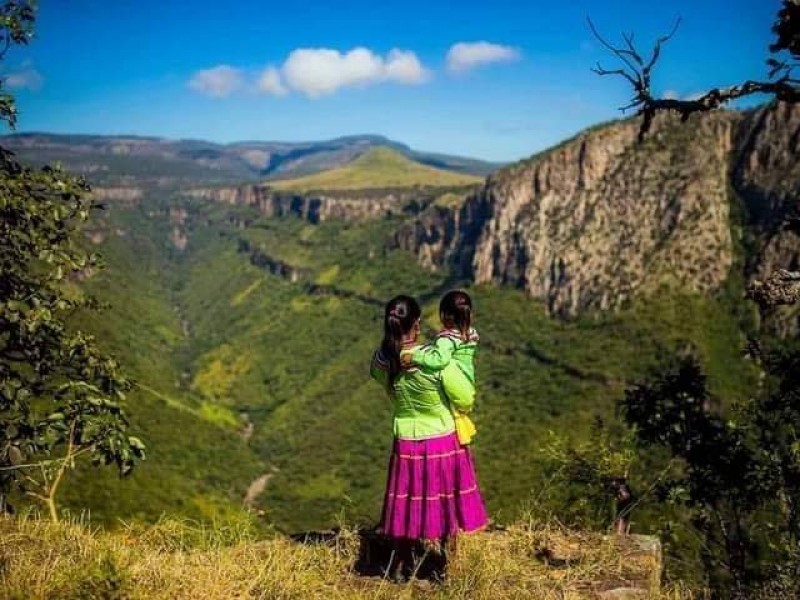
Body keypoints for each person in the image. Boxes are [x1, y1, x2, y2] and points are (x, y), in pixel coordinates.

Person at [370, 294, 488, 582]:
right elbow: (465, 396)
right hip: (442, 437)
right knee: (446, 499)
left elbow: (381, 380)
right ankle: (448, 566)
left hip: (406, 438)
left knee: (407, 498)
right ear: (418, 324)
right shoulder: (436, 360)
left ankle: (399, 563)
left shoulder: (383, 359)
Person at [401, 290, 479, 445]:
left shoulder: (447, 340)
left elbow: (439, 360)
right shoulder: (470, 334)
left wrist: (415, 356)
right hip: (467, 382)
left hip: (457, 388)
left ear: (444, 316)